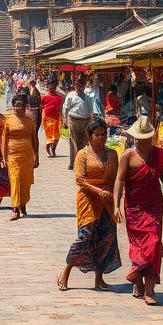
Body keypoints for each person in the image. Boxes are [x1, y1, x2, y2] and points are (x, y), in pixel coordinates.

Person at [116, 116, 163, 305]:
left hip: (154, 206)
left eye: (146, 138)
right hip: (134, 207)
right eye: (140, 138)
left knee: (154, 244)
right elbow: (119, 180)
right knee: (139, 247)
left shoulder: (159, 154)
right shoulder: (127, 156)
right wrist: (116, 205)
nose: (143, 141)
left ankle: (149, 289)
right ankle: (138, 280)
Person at [58, 117, 120, 291]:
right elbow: (80, 179)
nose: (101, 137)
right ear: (90, 136)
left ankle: (99, 278)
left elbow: (117, 179)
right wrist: (98, 190)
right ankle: (66, 270)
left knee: (105, 238)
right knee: (85, 237)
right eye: (97, 135)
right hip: (88, 201)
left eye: (104, 134)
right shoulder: (82, 154)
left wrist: (118, 201)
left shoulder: (113, 154)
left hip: (108, 202)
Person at [2, 91, 38, 220]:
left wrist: (36, 157)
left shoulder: (30, 121)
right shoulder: (8, 121)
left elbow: (35, 140)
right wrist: (3, 157)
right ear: (13, 106)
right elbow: (4, 140)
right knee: (15, 179)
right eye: (17, 106)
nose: (20, 108)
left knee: (25, 182)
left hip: (27, 155)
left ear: (25, 106)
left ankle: (23, 206)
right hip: (13, 155)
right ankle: (15, 209)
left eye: (22, 105)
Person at [62, 73, 92, 170]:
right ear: (75, 86)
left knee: (83, 142)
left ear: (84, 86)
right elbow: (66, 109)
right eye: (78, 85)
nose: (80, 87)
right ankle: (72, 163)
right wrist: (65, 121)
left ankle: (82, 162)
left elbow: (90, 111)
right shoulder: (70, 96)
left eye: (82, 85)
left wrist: (91, 122)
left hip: (85, 121)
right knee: (73, 142)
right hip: (73, 120)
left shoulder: (87, 97)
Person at [40, 78, 64, 157]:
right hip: (47, 117)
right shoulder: (44, 97)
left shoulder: (60, 97)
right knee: (49, 134)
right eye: (50, 84)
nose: (51, 86)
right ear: (48, 86)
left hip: (57, 117)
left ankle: (54, 148)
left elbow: (61, 107)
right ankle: (48, 146)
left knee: (57, 135)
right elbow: (42, 106)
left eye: (53, 84)